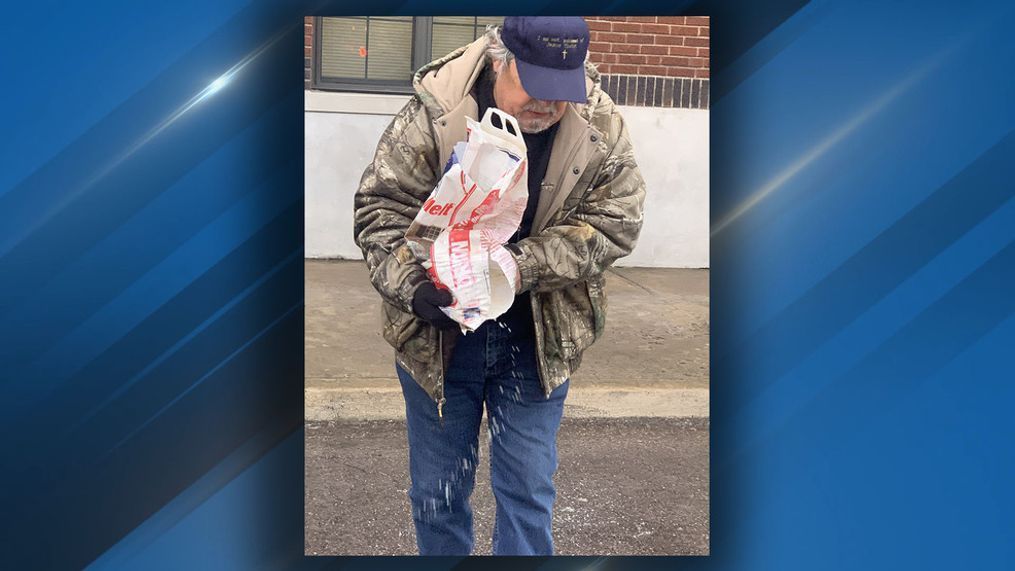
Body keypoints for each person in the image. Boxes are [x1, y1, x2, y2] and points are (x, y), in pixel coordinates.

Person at [353, 16, 646, 555]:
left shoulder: (598, 121)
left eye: (562, 92)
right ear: (497, 60)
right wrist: (414, 287)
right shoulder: (435, 112)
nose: (548, 107)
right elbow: (379, 211)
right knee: (437, 495)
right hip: (439, 338)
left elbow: (617, 221)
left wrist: (516, 267)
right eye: (535, 88)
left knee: (528, 493)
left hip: (538, 336)